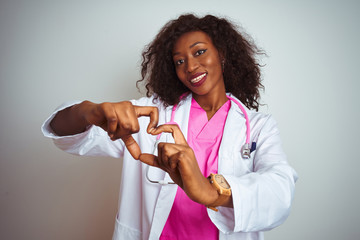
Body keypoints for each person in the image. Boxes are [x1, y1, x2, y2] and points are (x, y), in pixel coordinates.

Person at [42, 14, 298, 240]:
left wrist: (210, 192)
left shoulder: (258, 127)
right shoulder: (152, 114)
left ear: (222, 53)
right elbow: (61, 129)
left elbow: (279, 191)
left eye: (199, 52)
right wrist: (90, 111)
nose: (190, 66)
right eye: (179, 61)